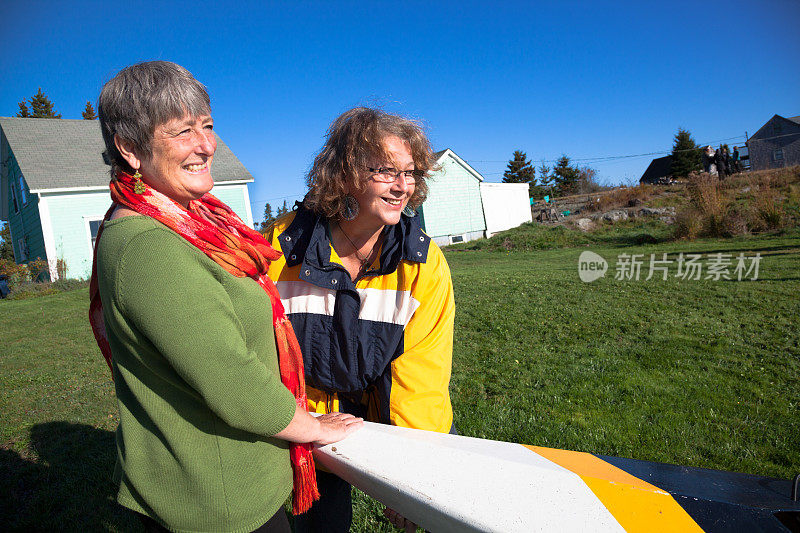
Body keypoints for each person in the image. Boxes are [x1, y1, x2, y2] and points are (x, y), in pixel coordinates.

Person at [88, 61, 362, 533]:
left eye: (208, 126)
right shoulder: (150, 246)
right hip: (214, 502)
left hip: (228, 480)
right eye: (182, 132)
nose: (206, 145)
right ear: (130, 148)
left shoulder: (192, 225)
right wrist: (314, 427)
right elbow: (233, 383)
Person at [265, 107, 456, 532]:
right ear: (345, 172)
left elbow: (421, 382)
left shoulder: (424, 264)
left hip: (395, 417)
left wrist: (412, 477)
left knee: (435, 513)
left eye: (410, 173)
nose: (403, 186)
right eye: (387, 171)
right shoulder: (280, 247)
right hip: (308, 427)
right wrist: (306, 430)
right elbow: (258, 355)